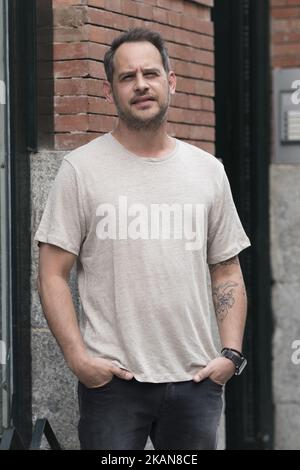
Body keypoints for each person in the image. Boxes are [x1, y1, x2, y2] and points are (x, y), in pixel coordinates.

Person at [35, 27, 251, 450]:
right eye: (127, 77)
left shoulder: (208, 171)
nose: (140, 85)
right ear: (110, 90)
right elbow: (53, 273)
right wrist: (79, 359)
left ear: (171, 81)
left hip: (195, 381)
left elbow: (226, 269)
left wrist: (230, 355)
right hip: (114, 385)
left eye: (150, 74)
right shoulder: (82, 170)